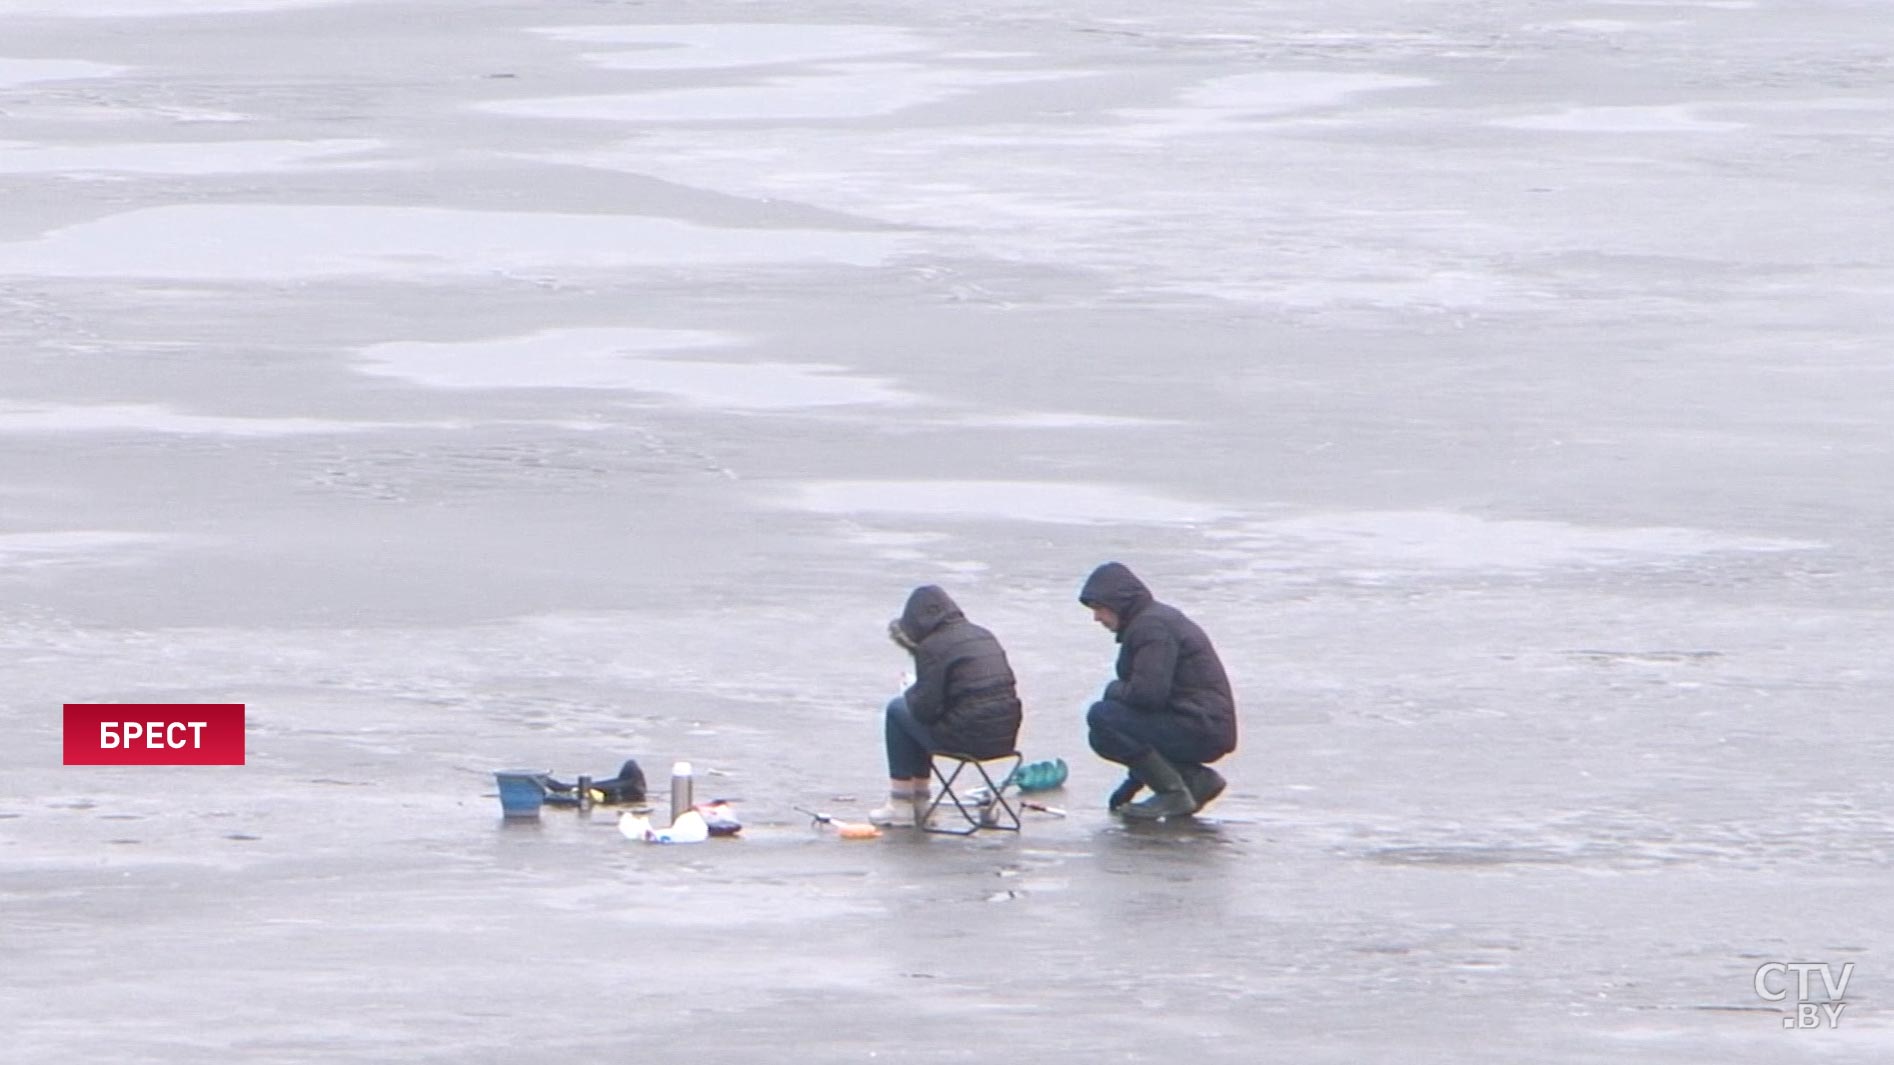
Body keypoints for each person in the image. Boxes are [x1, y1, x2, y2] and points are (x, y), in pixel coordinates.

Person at [1079, 561, 1237, 819]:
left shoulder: (1152, 628)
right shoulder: (1149, 622)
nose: (1097, 618)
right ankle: (1196, 781)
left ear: (1118, 604)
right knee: (1102, 734)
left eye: (1099, 609)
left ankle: (1173, 794)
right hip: (1199, 723)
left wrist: (1113, 689)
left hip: (1202, 727)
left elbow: (1148, 696)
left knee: (1103, 716)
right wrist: (1134, 781)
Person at [870, 585, 1023, 826]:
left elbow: (924, 710)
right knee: (910, 714)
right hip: (1004, 739)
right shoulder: (982, 634)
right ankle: (920, 802)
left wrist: (911, 692)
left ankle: (902, 802)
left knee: (897, 710)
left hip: (968, 741)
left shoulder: (933, 646)